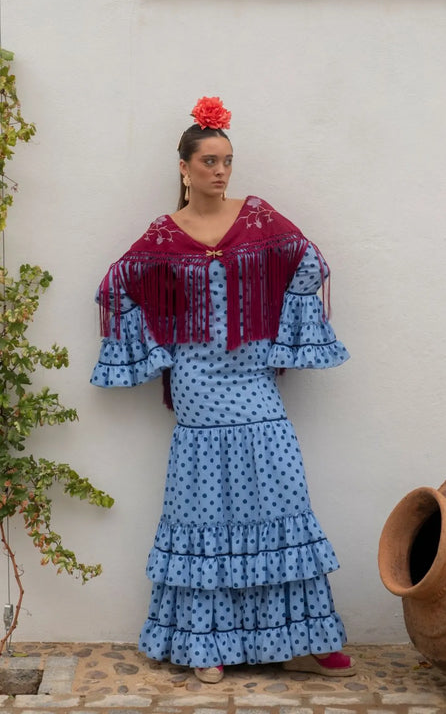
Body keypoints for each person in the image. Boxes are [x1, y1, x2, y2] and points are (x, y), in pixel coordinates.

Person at [91, 97, 355, 683]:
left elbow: (309, 265)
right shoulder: (163, 235)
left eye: (228, 161)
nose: (220, 171)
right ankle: (204, 642)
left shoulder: (258, 218)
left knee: (280, 496)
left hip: (253, 381)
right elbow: (117, 288)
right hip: (198, 385)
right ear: (184, 168)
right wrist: (163, 342)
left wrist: (273, 330)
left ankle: (306, 635)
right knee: (204, 507)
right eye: (209, 161)